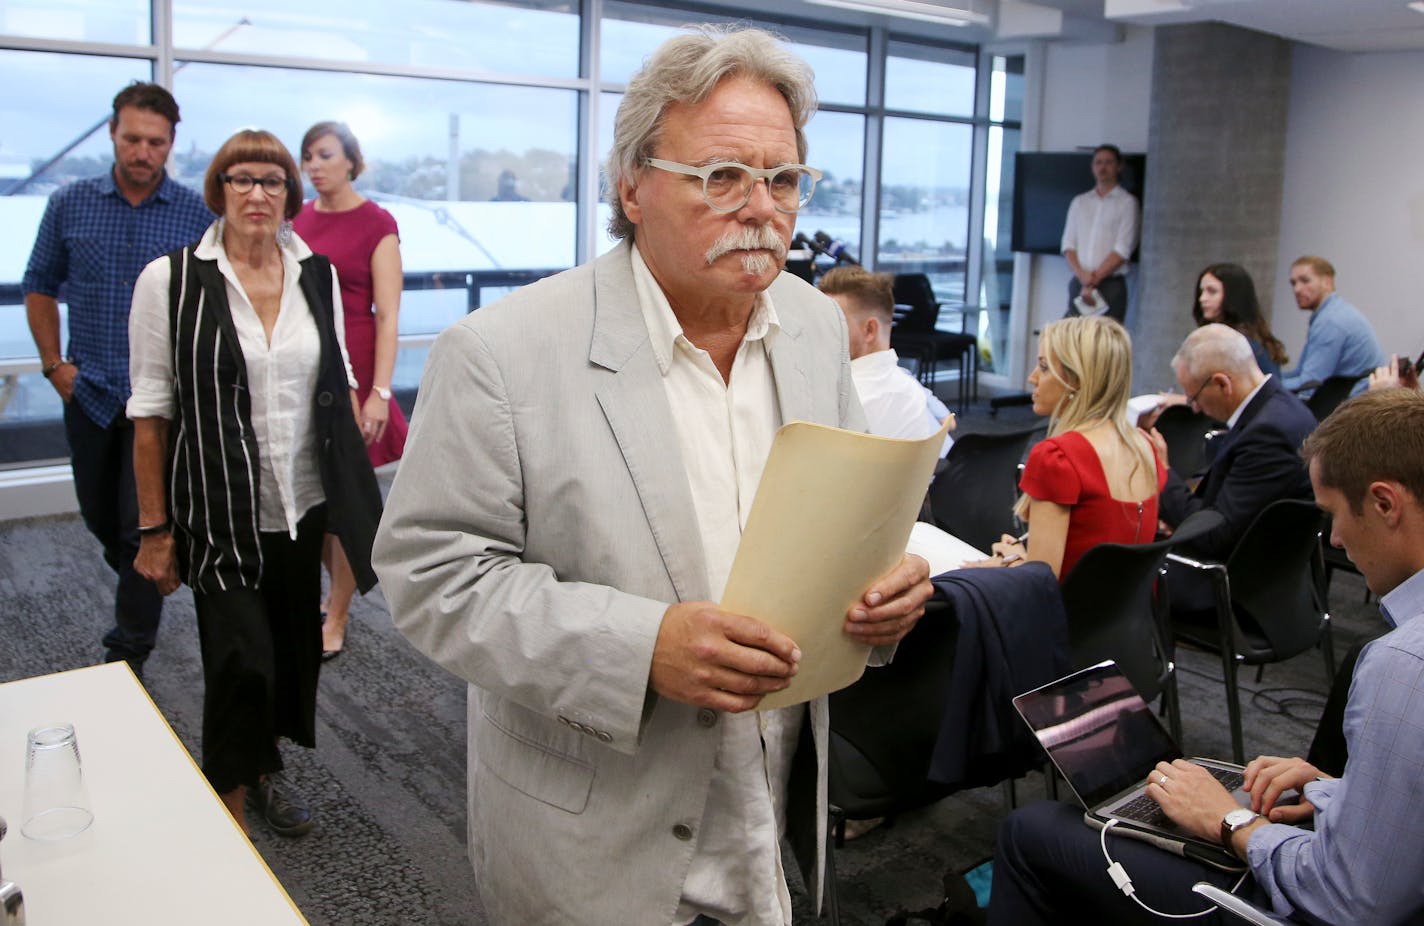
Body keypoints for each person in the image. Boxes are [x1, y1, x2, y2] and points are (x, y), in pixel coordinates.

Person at [372, 26, 933, 924]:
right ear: (632, 187)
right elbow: (431, 577)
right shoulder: (502, 353)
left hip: (772, 807)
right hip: (597, 841)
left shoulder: (815, 325)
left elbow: (848, 508)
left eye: (783, 179)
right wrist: (638, 649)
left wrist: (884, 588)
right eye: (722, 177)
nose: (762, 208)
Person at [989, 388, 1424, 926]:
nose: (1333, 538)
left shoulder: (1402, 664)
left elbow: (1349, 902)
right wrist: (1342, 793)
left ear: (1385, 504)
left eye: (1333, 515)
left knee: (1030, 832)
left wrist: (1228, 820)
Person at [127, 130, 382, 837]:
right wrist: (154, 532)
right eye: (241, 180)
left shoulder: (316, 276)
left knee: (288, 654)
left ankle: (263, 770)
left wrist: (350, 493)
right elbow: (150, 414)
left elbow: (337, 380)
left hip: (300, 508)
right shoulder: (170, 280)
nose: (257, 194)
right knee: (240, 664)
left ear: (290, 196)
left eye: (271, 181)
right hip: (216, 510)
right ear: (218, 191)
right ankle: (229, 814)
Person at [21, 82, 212, 677]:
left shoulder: (194, 214)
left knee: (140, 528)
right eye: (133, 138)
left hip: (160, 403)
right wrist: (57, 368)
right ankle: (144, 582)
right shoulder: (69, 204)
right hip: (90, 393)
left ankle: (126, 651)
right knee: (102, 520)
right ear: (113, 133)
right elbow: (38, 286)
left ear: (170, 144)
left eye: (155, 142)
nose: (142, 151)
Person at [294, 120, 406, 661]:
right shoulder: (296, 219)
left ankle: (336, 613)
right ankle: (329, 597)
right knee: (313, 494)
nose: (314, 166)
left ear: (351, 162)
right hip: (304, 369)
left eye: (324, 155)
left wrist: (380, 391)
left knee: (343, 502)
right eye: (308, 157)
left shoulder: (376, 222)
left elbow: (388, 316)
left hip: (356, 371)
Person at [1146, 324, 1316, 612]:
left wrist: (1159, 472)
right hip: (1276, 577)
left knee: (1117, 584)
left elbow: (1213, 537)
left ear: (1223, 384)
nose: (1195, 409)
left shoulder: (1267, 435)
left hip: (1236, 588)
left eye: (1194, 398)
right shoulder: (1285, 408)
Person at [980, 316, 1164, 580]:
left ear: (1076, 380)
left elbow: (1040, 584)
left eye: (1043, 367)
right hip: (1132, 616)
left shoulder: (1058, 458)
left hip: (1068, 617)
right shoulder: (1145, 446)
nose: (1032, 378)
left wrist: (1008, 563)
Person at [818, 265, 954, 457]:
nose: (821, 332)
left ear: (870, 330)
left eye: (832, 322)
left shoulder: (849, 399)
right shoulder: (906, 385)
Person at [1280, 256, 1384, 395]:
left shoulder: (1330, 321)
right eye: (1293, 283)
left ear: (1327, 282)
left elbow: (1309, 384)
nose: (1297, 289)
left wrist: (1261, 387)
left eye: (1305, 281)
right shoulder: (1334, 312)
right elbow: (1301, 373)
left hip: (1351, 407)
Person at [1060, 144, 1139, 323]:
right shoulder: (1080, 202)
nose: (1102, 167)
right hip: (1079, 282)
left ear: (1119, 166)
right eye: (1098, 162)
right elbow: (1068, 245)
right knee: (1072, 338)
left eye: (1108, 162)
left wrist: (1093, 280)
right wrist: (1082, 276)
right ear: (1093, 167)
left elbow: (1123, 249)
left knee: (1106, 342)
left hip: (1110, 284)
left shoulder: (1127, 203)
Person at [1190, 262, 1287, 377]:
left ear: (1233, 296)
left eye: (1212, 291)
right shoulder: (1226, 337)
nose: (1202, 298)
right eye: (1201, 292)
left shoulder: (1242, 344)